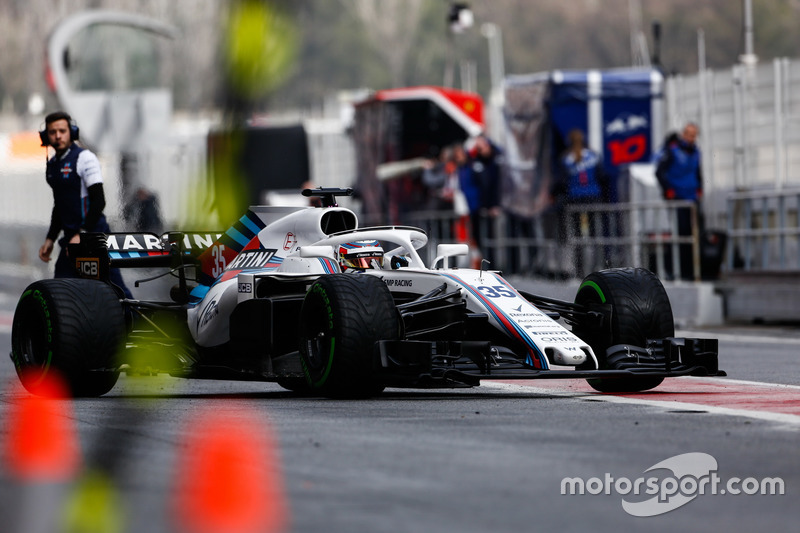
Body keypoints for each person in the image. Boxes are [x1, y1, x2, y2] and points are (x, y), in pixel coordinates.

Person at [38, 110, 132, 297]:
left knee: (115, 291)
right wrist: (50, 238)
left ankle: (137, 323)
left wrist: (83, 233)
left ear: (71, 132)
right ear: (45, 136)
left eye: (62, 131)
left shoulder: (85, 158)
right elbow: (60, 206)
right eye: (52, 132)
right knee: (60, 294)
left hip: (94, 239)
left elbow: (99, 201)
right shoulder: (53, 164)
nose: (57, 136)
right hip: (69, 243)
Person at [550, 128, 609, 276]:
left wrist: (555, 195)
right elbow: (603, 177)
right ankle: (597, 267)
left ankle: (580, 269)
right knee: (595, 236)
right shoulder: (593, 156)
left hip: (575, 200)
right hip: (593, 199)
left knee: (577, 237)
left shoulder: (566, 159)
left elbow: (561, 182)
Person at [655, 122, 703, 279]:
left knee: (695, 234)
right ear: (683, 134)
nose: (691, 138)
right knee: (679, 234)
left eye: (693, 135)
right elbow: (659, 171)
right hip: (678, 199)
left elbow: (698, 173)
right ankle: (673, 270)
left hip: (692, 199)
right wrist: (668, 190)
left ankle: (691, 271)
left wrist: (699, 189)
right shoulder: (672, 150)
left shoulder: (696, 152)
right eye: (688, 134)